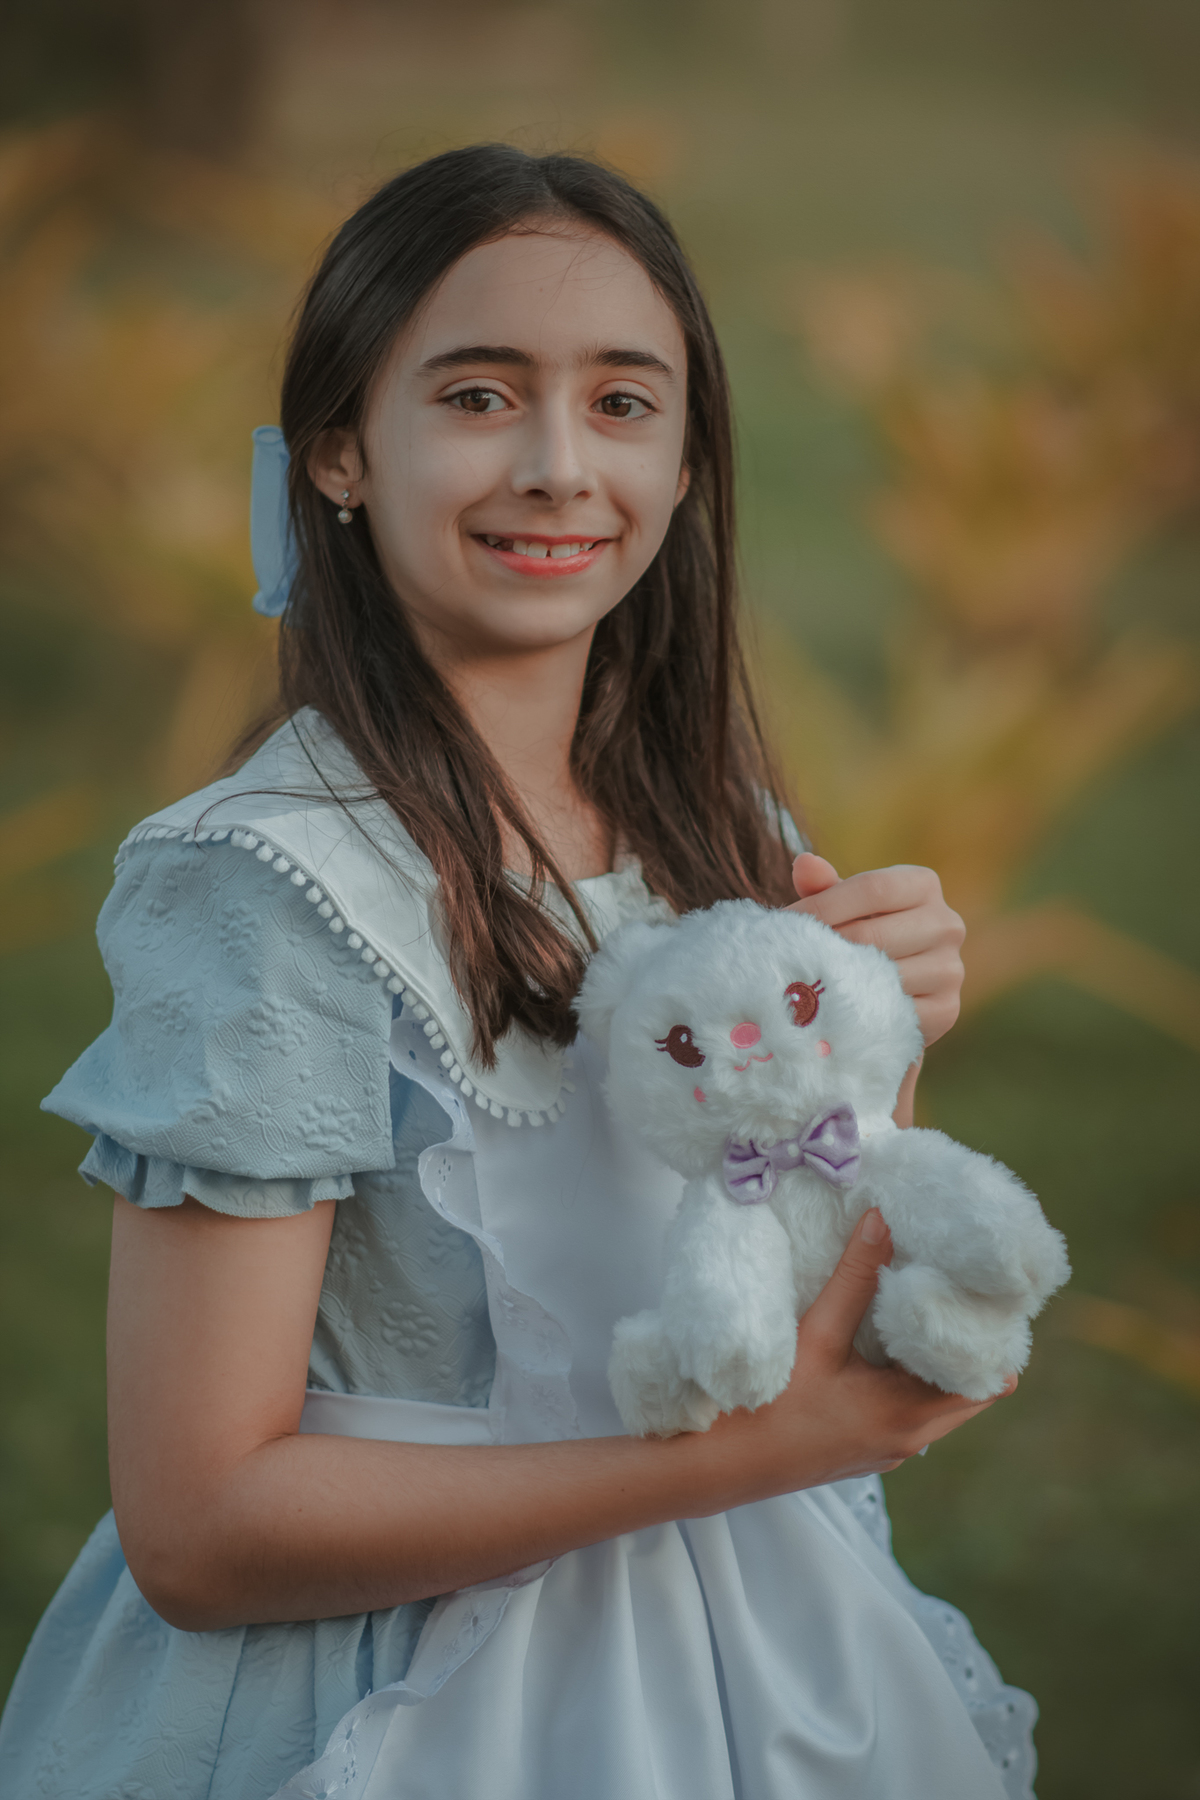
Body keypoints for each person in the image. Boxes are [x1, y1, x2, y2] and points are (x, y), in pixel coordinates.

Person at [0, 145, 1039, 1800]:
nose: (560, 467)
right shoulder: (271, 887)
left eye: (623, 404)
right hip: (395, 1691)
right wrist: (761, 1454)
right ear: (340, 448)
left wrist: (878, 1039)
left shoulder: (724, 831)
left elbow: (777, 1256)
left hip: (764, 1670)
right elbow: (198, 1527)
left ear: (686, 463)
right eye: (479, 396)